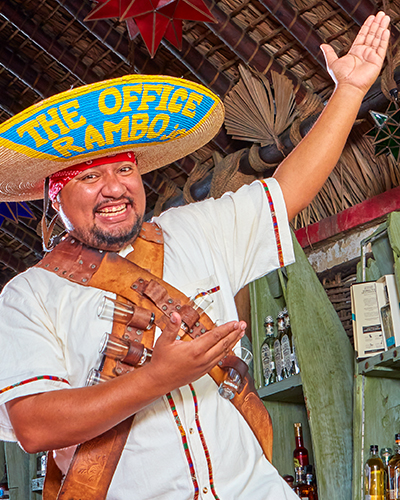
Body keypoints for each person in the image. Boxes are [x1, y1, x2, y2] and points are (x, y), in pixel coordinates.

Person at [0, 12, 390, 500]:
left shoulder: (197, 228)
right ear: (55, 198)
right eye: (88, 176)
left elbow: (288, 190)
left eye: (124, 168)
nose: (114, 188)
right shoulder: (29, 295)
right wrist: (157, 378)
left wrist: (350, 92)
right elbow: (35, 425)